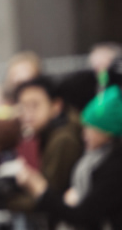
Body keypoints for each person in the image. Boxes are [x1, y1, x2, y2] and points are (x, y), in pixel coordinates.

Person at [16, 85, 122, 229]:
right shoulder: (94, 157)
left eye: (92, 128)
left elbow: (82, 215)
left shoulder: (113, 167)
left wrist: (40, 189)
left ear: (108, 131)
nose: (84, 134)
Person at [14, 75, 84, 205]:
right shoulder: (48, 133)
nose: (27, 114)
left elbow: (49, 198)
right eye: (23, 107)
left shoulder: (63, 139)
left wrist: (7, 202)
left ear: (56, 106)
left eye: (34, 106)